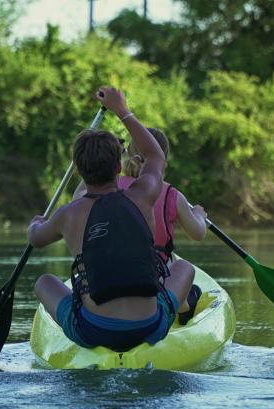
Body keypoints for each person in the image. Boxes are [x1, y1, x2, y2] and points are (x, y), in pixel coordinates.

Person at [28, 86, 195, 352]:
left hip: (94, 330)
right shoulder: (143, 195)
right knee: (184, 268)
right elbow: (155, 156)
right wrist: (122, 111)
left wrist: (35, 223)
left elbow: (36, 239)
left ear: (80, 171)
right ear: (119, 167)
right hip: (149, 325)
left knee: (44, 282)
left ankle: (77, 326)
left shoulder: (67, 214)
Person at [74, 128, 209, 324]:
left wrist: (95, 167)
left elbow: (77, 197)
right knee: (180, 266)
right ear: (163, 161)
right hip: (155, 275)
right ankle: (183, 305)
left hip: (108, 272)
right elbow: (198, 234)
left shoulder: (106, 186)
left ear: (124, 155)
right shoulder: (171, 194)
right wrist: (198, 215)